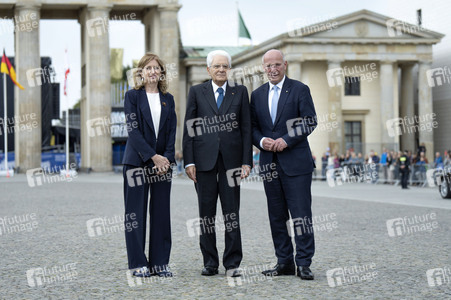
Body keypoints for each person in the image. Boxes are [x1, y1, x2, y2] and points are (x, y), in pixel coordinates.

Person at [182, 50, 252, 277]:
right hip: (203, 163)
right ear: (208, 69)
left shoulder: (240, 92)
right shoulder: (196, 92)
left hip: (232, 164)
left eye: (225, 66)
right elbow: (189, 127)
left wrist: (246, 162)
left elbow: (246, 128)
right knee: (206, 215)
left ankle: (232, 263)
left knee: (232, 214)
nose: (221, 70)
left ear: (229, 69)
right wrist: (189, 161)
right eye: (217, 66)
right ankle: (210, 262)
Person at [250, 49, 317, 280]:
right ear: (263, 68)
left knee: (301, 216)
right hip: (269, 165)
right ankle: (284, 262)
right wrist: (261, 141)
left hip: (297, 165)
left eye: (277, 64)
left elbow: (310, 121)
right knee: (277, 217)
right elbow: (252, 128)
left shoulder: (300, 89)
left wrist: (286, 140)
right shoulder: (257, 95)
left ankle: (304, 263)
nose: (273, 69)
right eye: (269, 66)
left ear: (285, 65)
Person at [122, 53, 177, 277]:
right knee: (135, 214)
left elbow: (172, 131)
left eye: (156, 68)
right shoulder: (132, 96)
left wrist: (166, 158)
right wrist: (153, 156)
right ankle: (138, 263)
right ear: (141, 73)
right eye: (148, 68)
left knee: (161, 213)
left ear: (161, 72)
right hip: (137, 162)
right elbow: (133, 131)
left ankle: (160, 263)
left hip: (163, 164)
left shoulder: (169, 98)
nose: (153, 72)